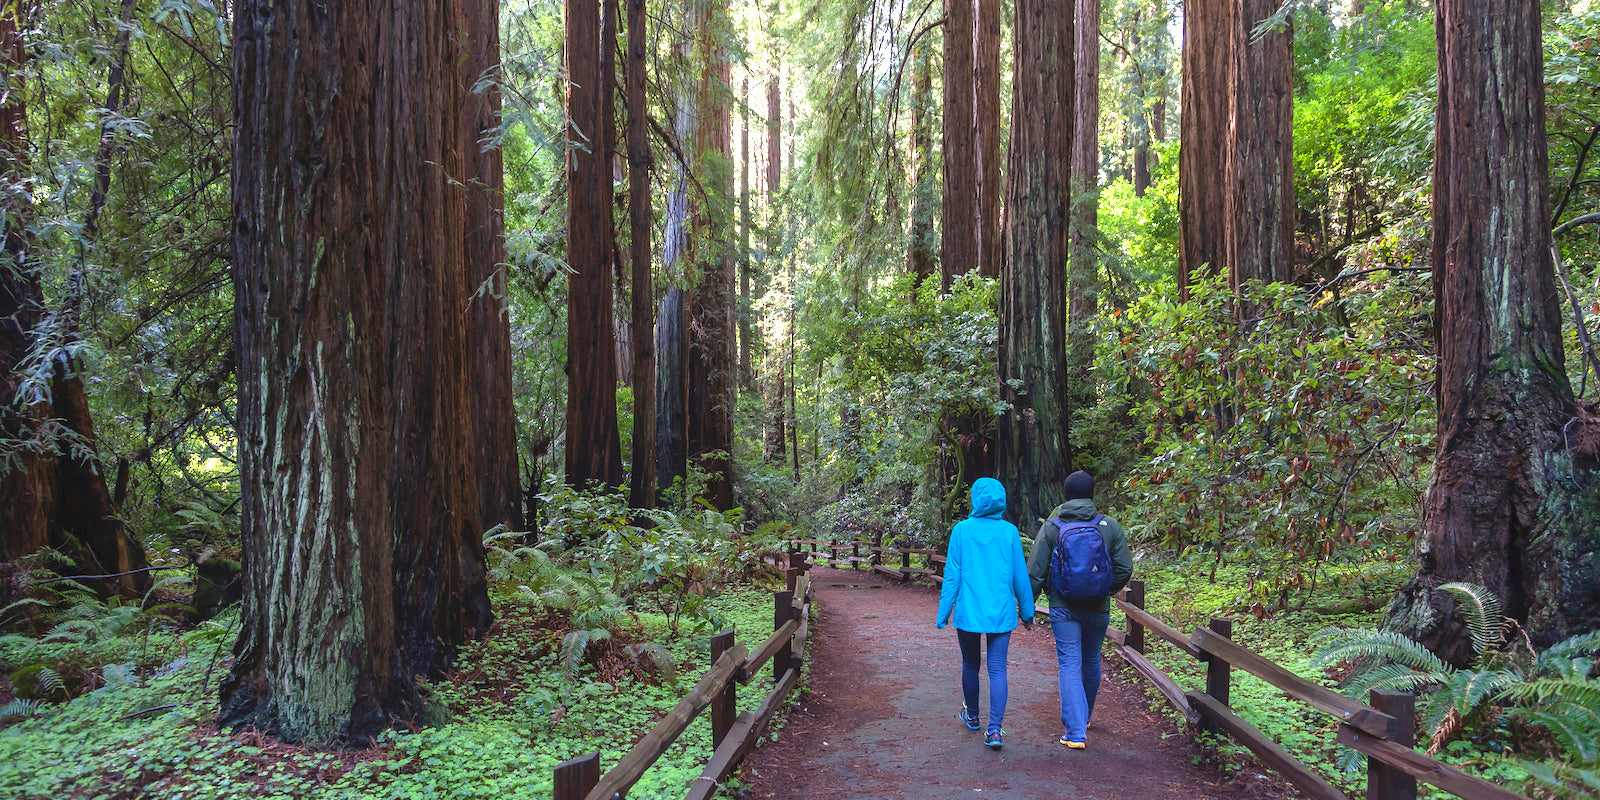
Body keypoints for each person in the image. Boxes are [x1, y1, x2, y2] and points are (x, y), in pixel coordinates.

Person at [1027, 470, 1132, 750]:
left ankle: (1075, 732)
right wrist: (1105, 589)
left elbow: (1036, 570)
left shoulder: (1053, 526)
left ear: (1066, 495)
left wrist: (1029, 603)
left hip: (1063, 607)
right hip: (1098, 607)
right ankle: (1083, 717)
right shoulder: (1109, 526)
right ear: (1092, 494)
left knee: (1070, 663)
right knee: (1091, 659)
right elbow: (1124, 568)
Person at [936, 477, 1035, 750]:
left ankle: (973, 716)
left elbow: (952, 576)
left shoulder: (961, 531)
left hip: (969, 612)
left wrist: (944, 612)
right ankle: (994, 731)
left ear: (974, 499)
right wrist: (1027, 612)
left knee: (970, 665)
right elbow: (1019, 575)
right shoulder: (1009, 532)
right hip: (1001, 612)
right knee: (998, 669)